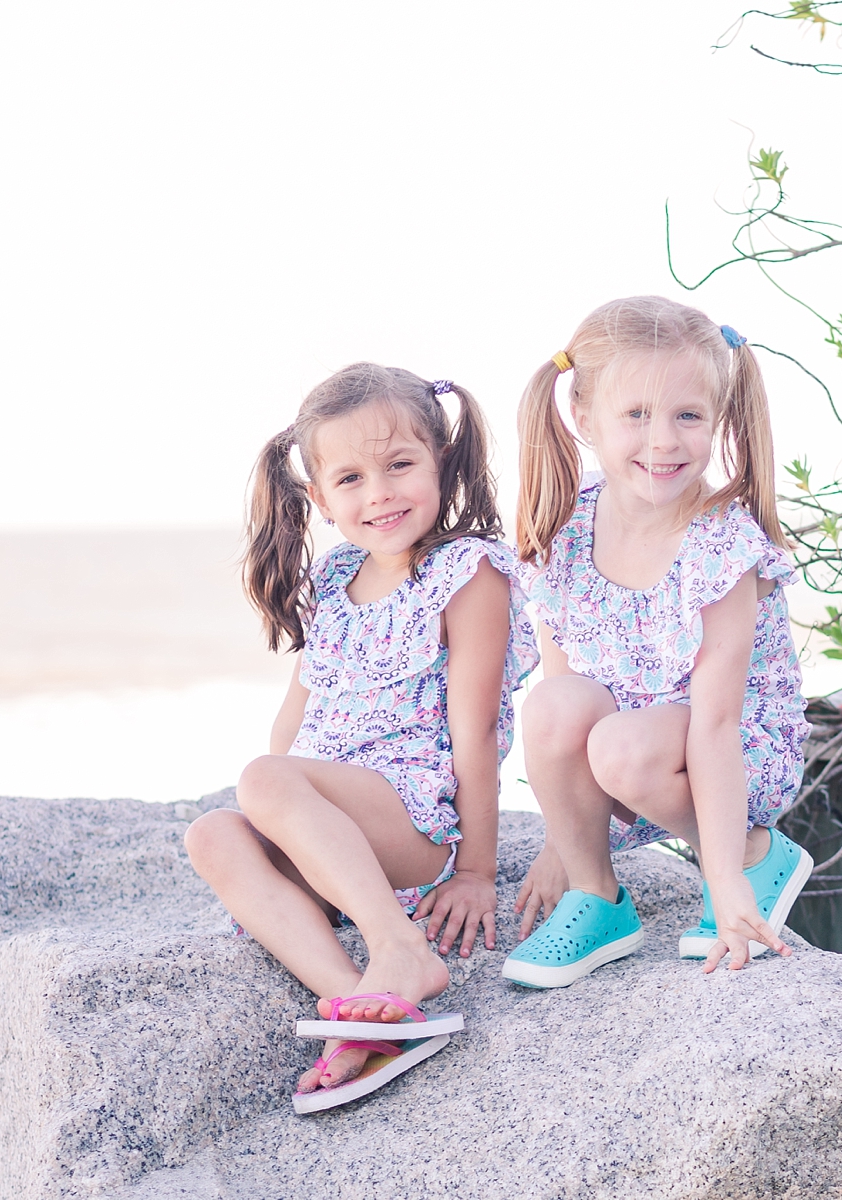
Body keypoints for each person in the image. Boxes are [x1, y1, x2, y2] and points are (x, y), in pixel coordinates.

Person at [185, 363, 537, 1110]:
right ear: (319, 498)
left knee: (264, 777)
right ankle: (361, 1011)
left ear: (440, 460)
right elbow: (296, 719)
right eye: (350, 478)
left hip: (411, 824)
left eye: (400, 465)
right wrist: (278, 833)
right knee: (215, 835)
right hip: (335, 836)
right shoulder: (334, 581)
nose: (379, 493)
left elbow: (475, 735)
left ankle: (400, 948)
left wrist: (476, 870)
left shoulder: (466, 574)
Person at [500, 296, 813, 988]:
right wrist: (563, 838)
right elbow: (562, 689)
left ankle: (758, 855)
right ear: (584, 418)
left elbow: (718, 720)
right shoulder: (564, 529)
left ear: (717, 419)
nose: (664, 441)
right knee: (552, 708)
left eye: (687, 416)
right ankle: (598, 896)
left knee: (619, 745)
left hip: (734, 750)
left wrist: (723, 874)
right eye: (636, 415)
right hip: (626, 754)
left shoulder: (721, 544)